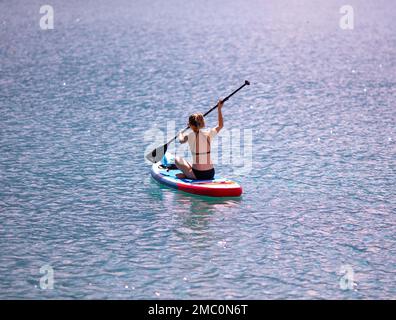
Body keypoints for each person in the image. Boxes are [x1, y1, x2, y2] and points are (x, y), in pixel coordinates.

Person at [175, 100, 224, 180]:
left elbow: (181, 140)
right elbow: (220, 125)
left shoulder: (189, 136)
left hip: (198, 175)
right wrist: (219, 109)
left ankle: (187, 175)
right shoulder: (208, 134)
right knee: (190, 163)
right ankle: (187, 174)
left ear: (190, 125)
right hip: (211, 173)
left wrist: (180, 133)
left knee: (177, 159)